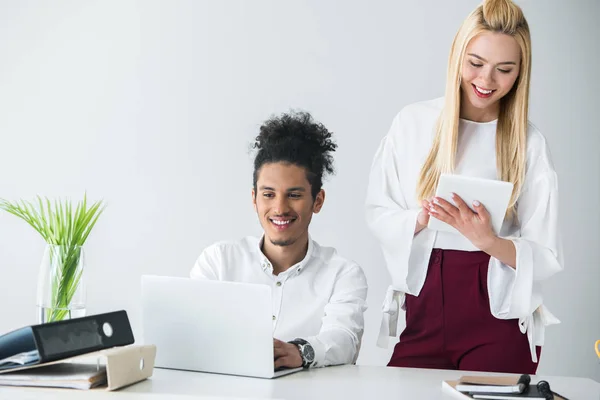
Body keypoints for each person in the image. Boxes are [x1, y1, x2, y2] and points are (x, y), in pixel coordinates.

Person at [365, 0, 563, 374]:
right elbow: (378, 211)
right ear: (457, 55)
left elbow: (546, 253)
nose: (486, 81)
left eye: (504, 69)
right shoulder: (412, 124)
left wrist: (488, 240)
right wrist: (421, 219)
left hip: (496, 320)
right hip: (424, 312)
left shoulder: (528, 144)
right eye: (475, 63)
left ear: (521, 72)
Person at [191, 111, 368, 370]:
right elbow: (191, 330)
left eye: (294, 195)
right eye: (268, 194)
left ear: (317, 201)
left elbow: (345, 339)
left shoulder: (343, 274)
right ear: (254, 199)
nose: (280, 208)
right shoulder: (218, 262)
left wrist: (300, 352)